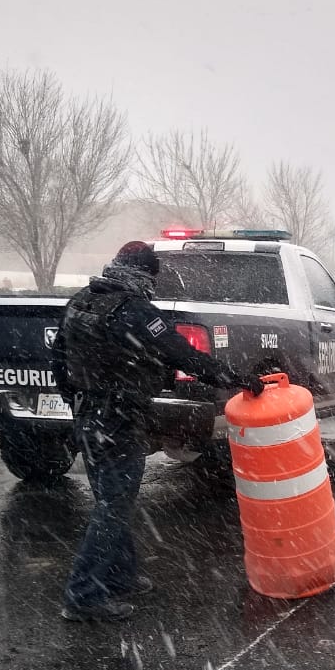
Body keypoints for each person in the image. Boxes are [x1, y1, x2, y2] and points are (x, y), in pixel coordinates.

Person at [50, 240, 263, 622]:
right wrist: (237, 379)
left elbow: (58, 358)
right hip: (119, 420)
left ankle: (120, 576)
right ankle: (83, 595)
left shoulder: (83, 300)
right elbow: (183, 355)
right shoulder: (133, 310)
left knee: (111, 502)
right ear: (147, 275)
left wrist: (78, 402)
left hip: (89, 417)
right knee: (113, 506)